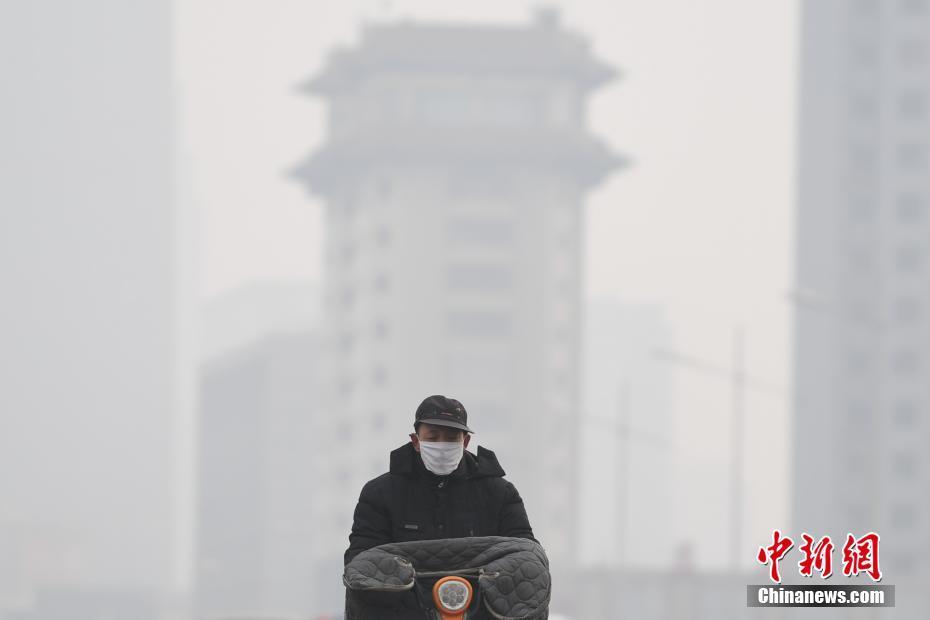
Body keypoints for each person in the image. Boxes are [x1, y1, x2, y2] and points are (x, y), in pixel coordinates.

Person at [344, 394, 537, 565]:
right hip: (402, 603)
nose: (442, 445)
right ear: (416, 441)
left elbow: (526, 553)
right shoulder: (380, 494)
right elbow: (362, 558)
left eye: (451, 438)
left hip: (480, 603)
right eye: (433, 437)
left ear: (466, 442)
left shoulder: (499, 494)